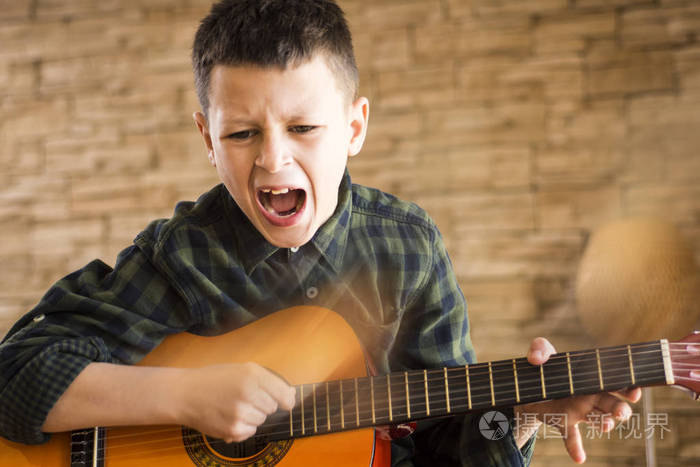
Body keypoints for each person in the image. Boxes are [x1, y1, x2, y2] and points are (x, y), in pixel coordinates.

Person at [0, 0, 640, 465]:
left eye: (303, 128)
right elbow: (15, 375)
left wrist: (525, 413)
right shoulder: (184, 254)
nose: (274, 160)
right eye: (241, 133)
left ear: (355, 127)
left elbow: (448, 446)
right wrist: (184, 395)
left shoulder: (407, 249)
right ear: (206, 137)